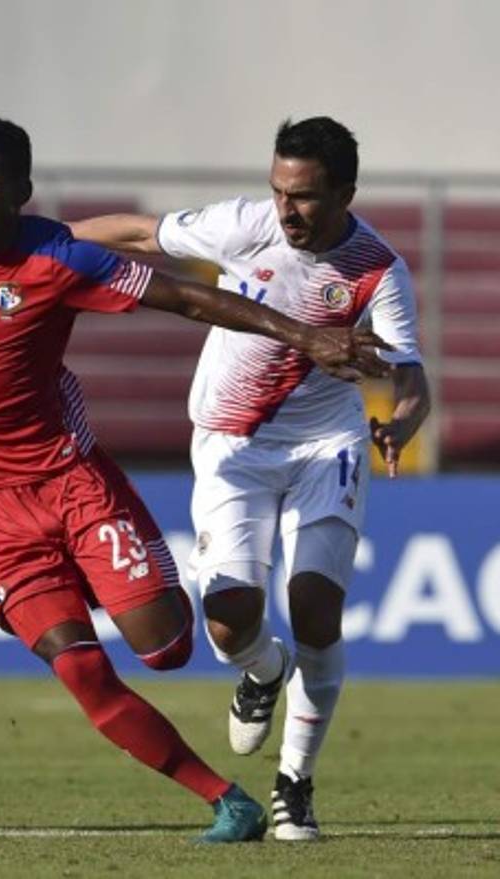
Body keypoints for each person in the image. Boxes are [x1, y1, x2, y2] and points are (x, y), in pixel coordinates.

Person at [0, 34, 391, 843]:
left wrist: (304, 336)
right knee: (84, 670)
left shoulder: (56, 260)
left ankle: (255, 664)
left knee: (164, 645)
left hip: (69, 483)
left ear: (21, 190)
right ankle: (224, 799)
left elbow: (189, 302)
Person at [69, 117, 431, 840]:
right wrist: (39, 240)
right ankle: (262, 671)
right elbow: (142, 235)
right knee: (232, 623)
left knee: (316, 607)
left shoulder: (377, 270)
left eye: (303, 197)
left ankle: (294, 782)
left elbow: (411, 373)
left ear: (345, 194)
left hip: (325, 445)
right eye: (279, 191)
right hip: (232, 446)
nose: (286, 210)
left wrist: (403, 421)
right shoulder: (244, 225)